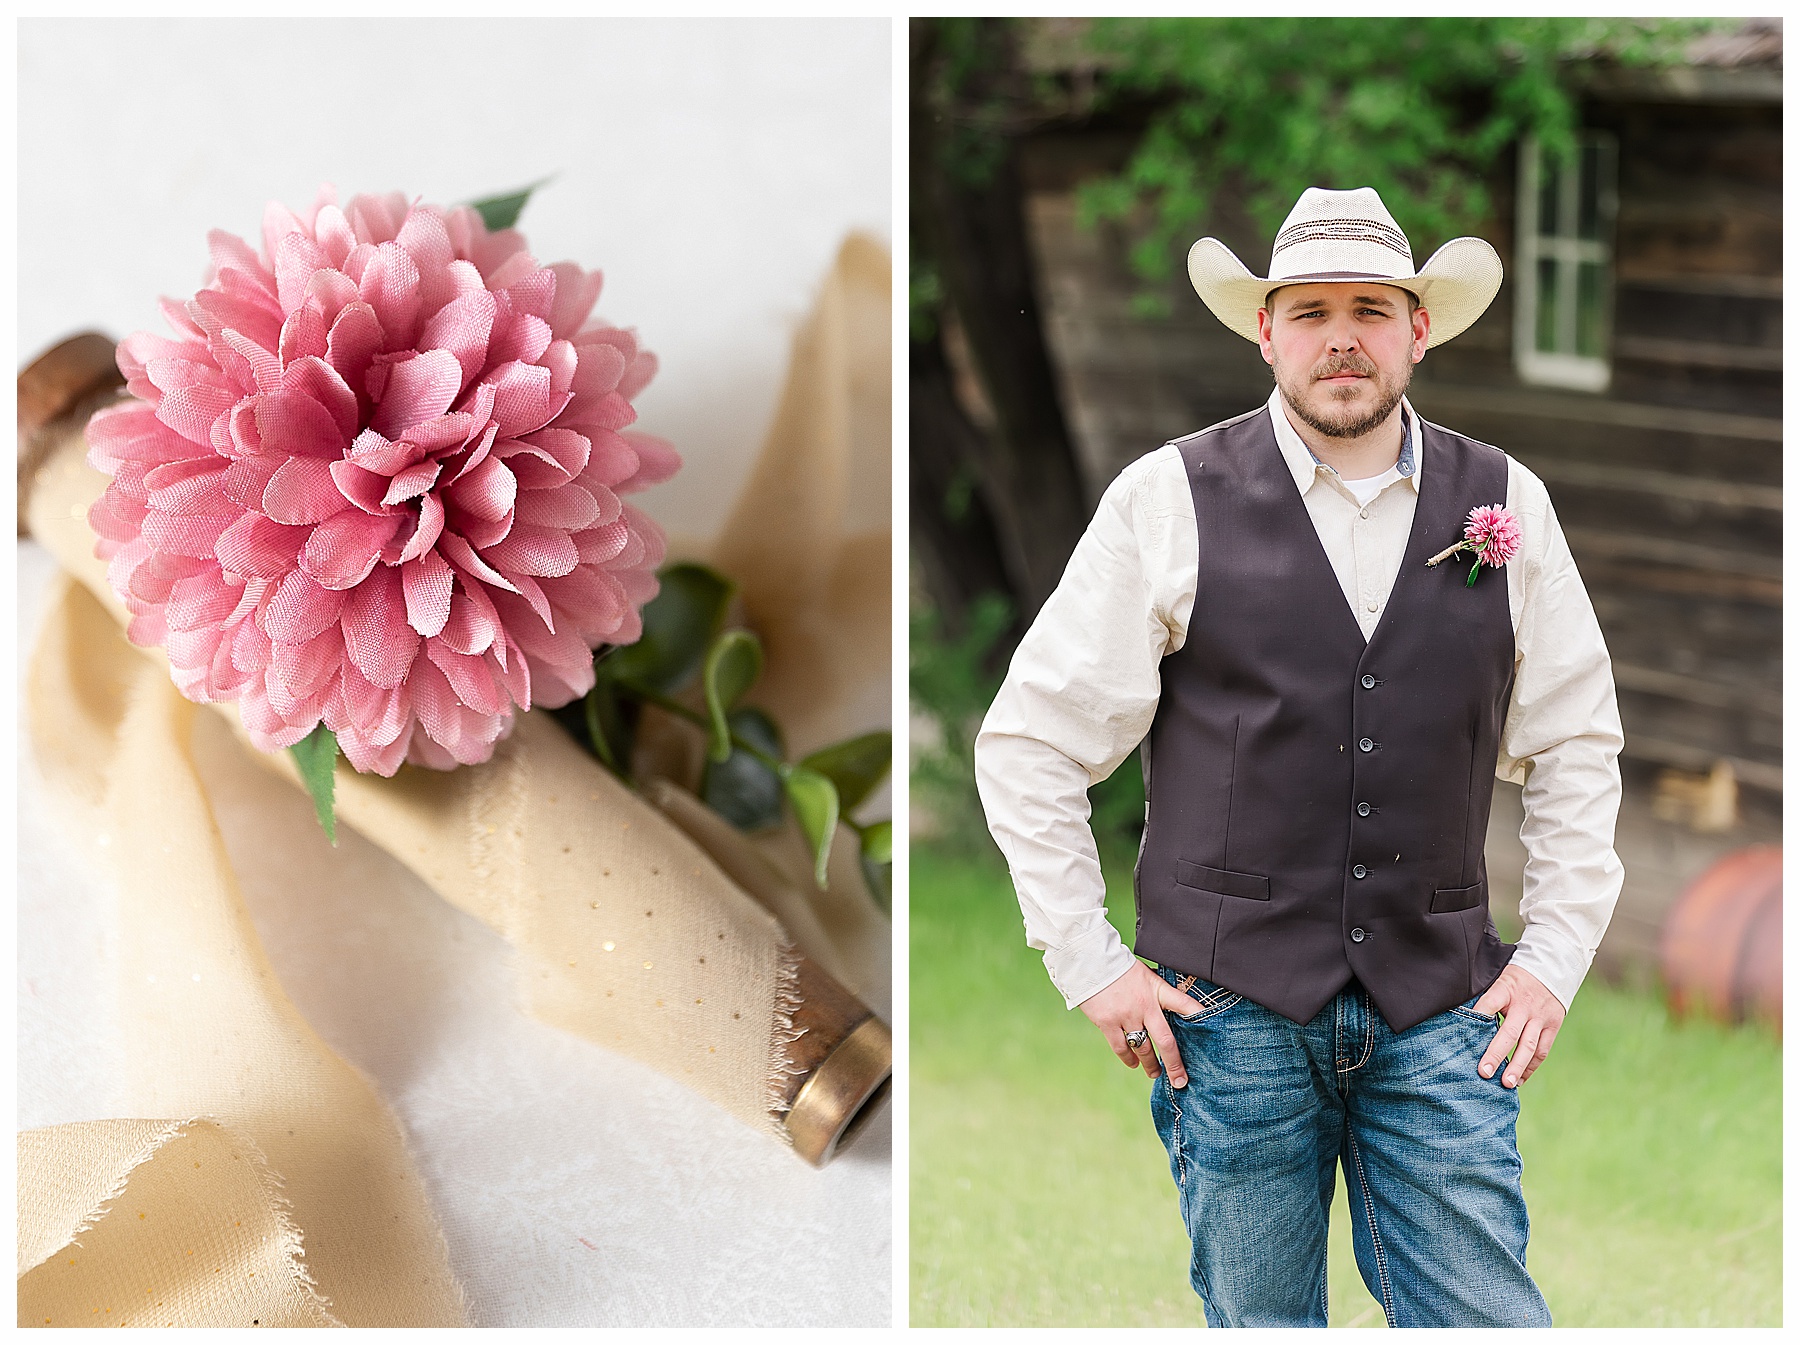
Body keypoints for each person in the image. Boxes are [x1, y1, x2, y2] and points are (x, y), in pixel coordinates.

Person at [973, 185, 1623, 1328]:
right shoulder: (1168, 498)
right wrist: (1087, 959)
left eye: (1371, 307)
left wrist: (1559, 950)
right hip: (1229, 1013)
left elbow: (1575, 742)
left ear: (1418, 331)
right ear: (1264, 330)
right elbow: (1031, 743)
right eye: (1309, 308)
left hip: (1440, 1007)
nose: (1341, 335)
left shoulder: (1508, 502)